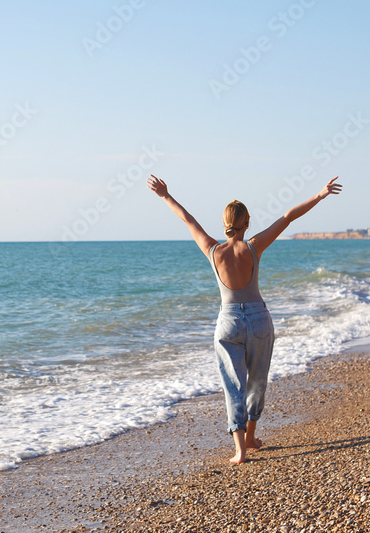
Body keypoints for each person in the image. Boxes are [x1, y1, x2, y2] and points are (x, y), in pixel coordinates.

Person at [146, 174, 342, 464]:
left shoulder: (213, 250)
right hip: (259, 319)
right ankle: (250, 435)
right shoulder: (254, 246)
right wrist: (320, 194)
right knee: (256, 382)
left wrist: (165, 195)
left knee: (233, 386)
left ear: (224, 222)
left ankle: (240, 449)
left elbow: (188, 220)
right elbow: (288, 217)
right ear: (247, 222)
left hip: (228, 323)